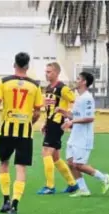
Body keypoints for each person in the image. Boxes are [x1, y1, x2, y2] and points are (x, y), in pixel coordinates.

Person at [0, 52, 43, 214]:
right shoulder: (35, 86)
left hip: (6, 129)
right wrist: (28, 123)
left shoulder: (4, 82)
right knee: (21, 168)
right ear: (27, 66)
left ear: (14, 64)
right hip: (25, 132)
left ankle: (5, 199)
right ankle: (15, 204)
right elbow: (37, 112)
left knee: (4, 163)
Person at [56, 72, 109, 197]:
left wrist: (71, 122)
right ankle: (84, 189)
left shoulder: (87, 98)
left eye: (78, 78)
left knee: (79, 165)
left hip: (83, 137)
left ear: (84, 82)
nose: (76, 80)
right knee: (70, 163)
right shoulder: (79, 98)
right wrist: (63, 111)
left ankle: (103, 177)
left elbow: (90, 118)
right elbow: (75, 116)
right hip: (75, 136)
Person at [37, 62, 79, 195]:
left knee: (46, 153)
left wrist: (68, 117)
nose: (46, 73)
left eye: (49, 71)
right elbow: (49, 108)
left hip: (57, 123)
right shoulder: (48, 88)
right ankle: (72, 184)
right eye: (46, 71)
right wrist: (45, 122)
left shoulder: (63, 88)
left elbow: (75, 102)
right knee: (55, 157)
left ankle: (50, 186)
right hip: (51, 122)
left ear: (56, 73)